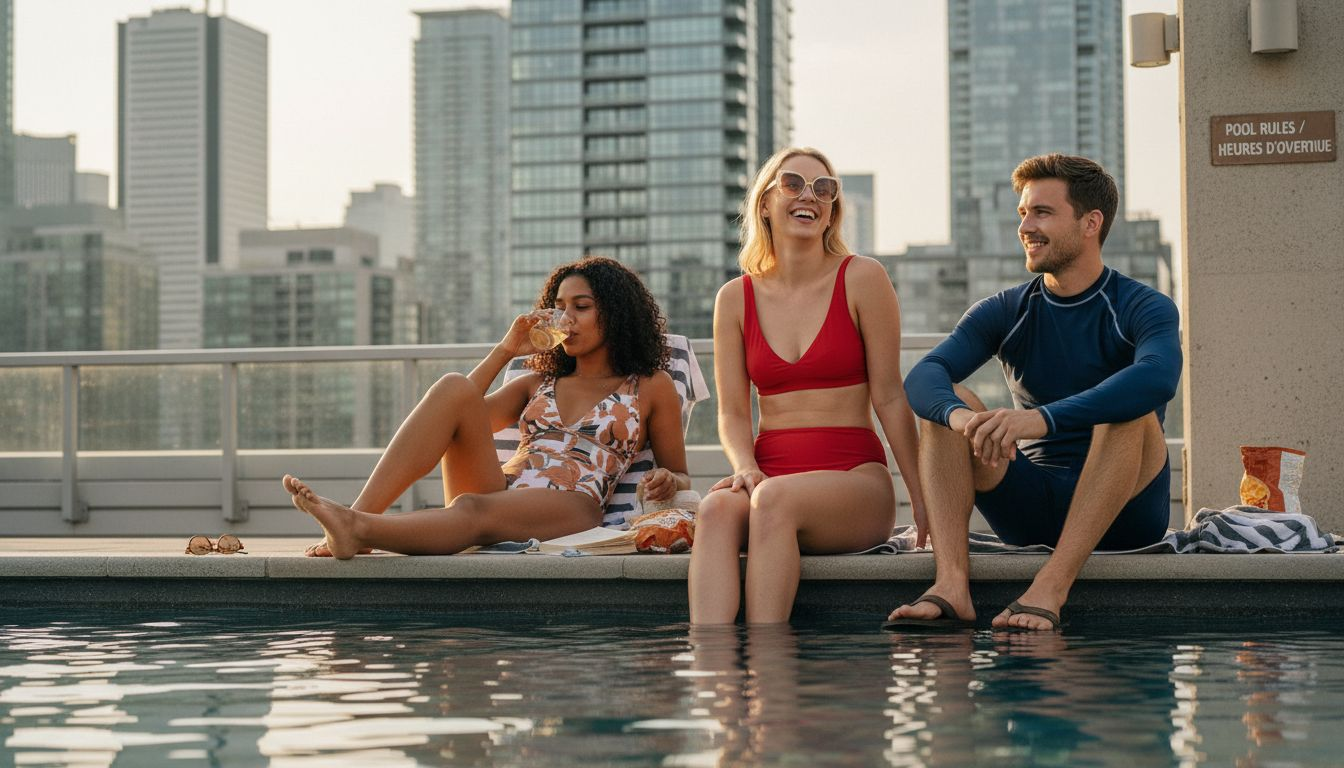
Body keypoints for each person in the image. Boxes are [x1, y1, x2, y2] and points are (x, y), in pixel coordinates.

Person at [887, 153, 1180, 631]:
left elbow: (1157, 378)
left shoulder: (1143, 306)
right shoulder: (1007, 309)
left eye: (1041, 212)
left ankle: (1051, 587)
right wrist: (963, 421)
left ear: (1091, 223)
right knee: (947, 404)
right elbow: (925, 376)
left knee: (1132, 409)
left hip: (1124, 513)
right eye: (1022, 213)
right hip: (1033, 503)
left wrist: (1041, 419)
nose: (1025, 226)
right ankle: (950, 586)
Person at [283, 256, 690, 558]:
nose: (566, 319)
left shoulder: (651, 386)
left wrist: (669, 481)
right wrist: (505, 350)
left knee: (472, 508)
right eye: (560, 307)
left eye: (581, 307)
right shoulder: (537, 382)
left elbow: (681, 474)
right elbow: (458, 414)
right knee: (453, 386)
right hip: (500, 488)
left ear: (617, 315)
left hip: (571, 501)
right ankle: (356, 518)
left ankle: (358, 528)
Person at [688, 146, 926, 624]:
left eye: (825, 189)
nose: (810, 196)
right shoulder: (734, 298)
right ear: (765, 203)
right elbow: (733, 412)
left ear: (833, 209)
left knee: (773, 500)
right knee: (713, 511)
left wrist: (924, 500)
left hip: (854, 478)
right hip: (768, 475)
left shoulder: (862, 277)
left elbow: (890, 396)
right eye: (793, 183)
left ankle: (767, 672)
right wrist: (746, 467)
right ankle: (717, 684)